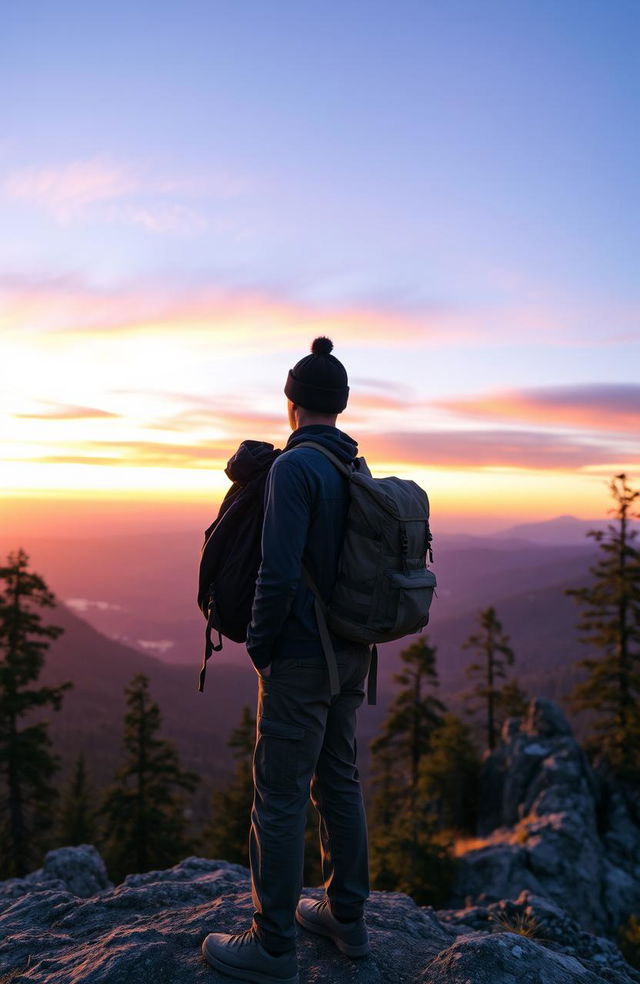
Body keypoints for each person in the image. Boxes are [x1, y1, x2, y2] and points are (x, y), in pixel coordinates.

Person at [202, 337, 371, 984]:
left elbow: (276, 574)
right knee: (339, 782)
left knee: (277, 796)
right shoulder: (353, 464)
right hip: (352, 653)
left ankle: (271, 946)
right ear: (342, 404)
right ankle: (345, 918)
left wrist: (264, 649)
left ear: (292, 403)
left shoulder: (295, 470)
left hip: (300, 655)